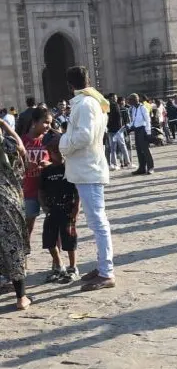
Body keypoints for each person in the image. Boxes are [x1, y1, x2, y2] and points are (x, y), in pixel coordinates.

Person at [59, 66, 115, 292]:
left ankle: (107, 271)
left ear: (70, 85)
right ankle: (102, 266)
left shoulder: (85, 104)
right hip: (87, 167)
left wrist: (62, 142)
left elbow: (84, 136)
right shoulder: (93, 101)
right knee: (96, 221)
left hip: (88, 168)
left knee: (98, 222)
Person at [38, 136, 80, 283]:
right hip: (52, 210)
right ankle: (59, 265)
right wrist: (44, 206)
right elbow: (41, 191)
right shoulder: (46, 171)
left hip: (67, 209)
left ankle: (73, 267)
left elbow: (77, 190)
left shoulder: (69, 168)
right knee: (49, 241)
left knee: (69, 239)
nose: (59, 154)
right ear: (49, 152)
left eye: (61, 151)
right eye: (55, 151)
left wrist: (76, 208)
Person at [0, 118, 32, 309]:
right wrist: (6, 127)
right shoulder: (8, 146)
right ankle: (21, 298)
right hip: (7, 200)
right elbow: (22, 149)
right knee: (13, 246)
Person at [22, 106, 53, 239]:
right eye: (45, 122)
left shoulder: (51, 140)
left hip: (48, 189)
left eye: (50, 123)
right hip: (29, 190)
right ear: (34, 122)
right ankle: (23, 255)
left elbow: (60, 161)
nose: (48, 126)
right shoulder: (22, 141)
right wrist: (25, 164)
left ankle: (56, 259)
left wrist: (49, 164)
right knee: (28, 226)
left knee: (53, 223)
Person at [128, 93, 154, 176]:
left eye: (130, 100)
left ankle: (150, 167)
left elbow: (147, 120)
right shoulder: (133, 109)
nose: (129, 102)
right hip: (137, 130)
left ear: (135, 100)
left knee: (145, 150)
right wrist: (130, 126)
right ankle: (142, 167)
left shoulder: (143, 108)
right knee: (139, 150)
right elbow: (134, 120)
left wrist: (148, 132)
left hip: (143, 130)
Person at [107, 94, 130, 170]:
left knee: (113, 148)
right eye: (115, 97)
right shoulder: (115, 105)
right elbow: (119, 117)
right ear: (112, 98)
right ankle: (127, 162)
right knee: (123, 146)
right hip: (117, 130)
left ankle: (114, 164)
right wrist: (120, 128)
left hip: (111, 130)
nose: (116, 99)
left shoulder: (107, 106)